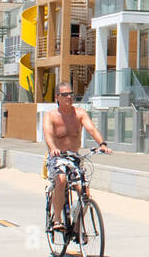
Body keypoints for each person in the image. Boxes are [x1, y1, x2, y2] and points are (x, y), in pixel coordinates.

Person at [42, 82, 111, 231]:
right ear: (57, 97)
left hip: (74, 158)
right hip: (57, 156)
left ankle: (77, 225)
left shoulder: (79, 113)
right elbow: (47, 134)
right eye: (65, 94)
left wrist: (102, 144)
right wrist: (53, 148)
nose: (69, 97)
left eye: (71, 94)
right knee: (61, 180)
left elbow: (91, 129)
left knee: (84, 192)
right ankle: (57, 220)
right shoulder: (50, 116)